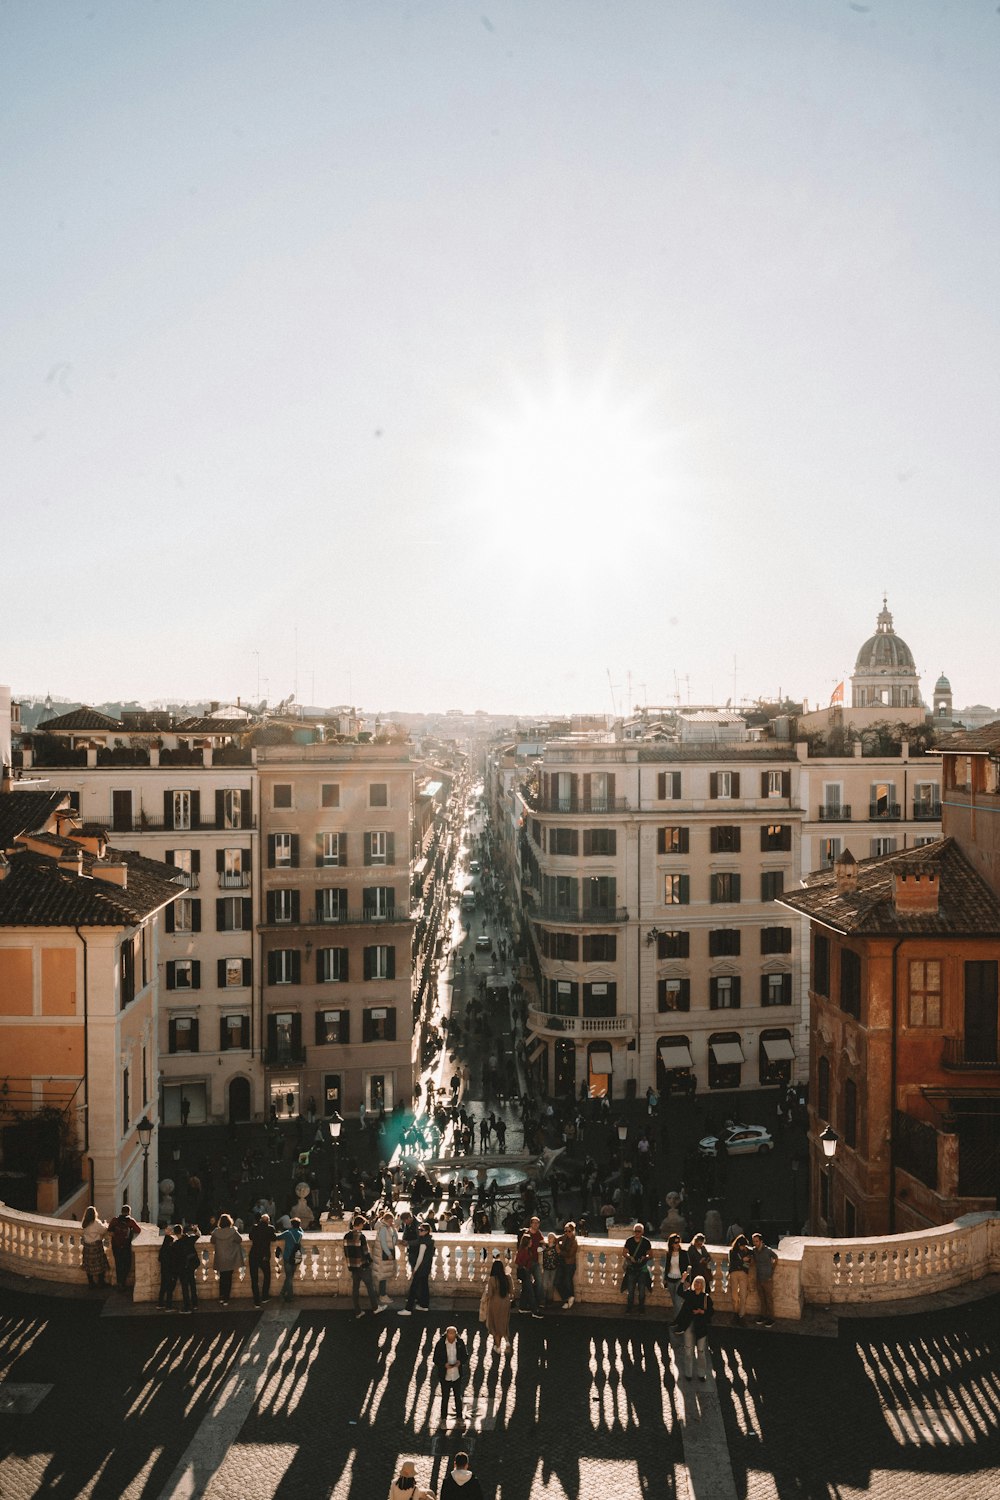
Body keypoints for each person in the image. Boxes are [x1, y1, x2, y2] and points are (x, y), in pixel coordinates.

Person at [674, 1273, 714, 1381]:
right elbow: (679, 1292)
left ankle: (701, 1374)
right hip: (689, 1325)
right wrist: (682, 1279)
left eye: (699, 1282)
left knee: (701, 1351)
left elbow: (711, 1312)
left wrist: (702, 1311)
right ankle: (688, 1373)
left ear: (703, 1285)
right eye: (696, 1281)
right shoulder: (689, 1294)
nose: (697, 1284)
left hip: (701, 1327)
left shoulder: (706, 1298)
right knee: (688, 1351)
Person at [431, 1326, 469, 1433]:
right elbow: (435, 1359)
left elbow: (465, 1356)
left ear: (456, 1334)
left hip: (456, 1375)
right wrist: (444, 1365)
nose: (451, 1337)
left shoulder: (460, 1342)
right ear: (447, 1334)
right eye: (450, 1335)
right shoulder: (440, 1344)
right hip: (445, 1376)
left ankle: (459, 1418)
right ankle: (443, 1419)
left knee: (458, 1397)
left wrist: (460, 1362)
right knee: (445, 1397)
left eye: (453, 1335)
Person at [344, 1216, 382, 1318]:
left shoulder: (346, 1236)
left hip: (353, 1266)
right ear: (360, 1224)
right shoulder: (361, 1236)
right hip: (362, 1266)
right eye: (363, 1224)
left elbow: (346, 1252)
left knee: (355, 1288)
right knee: (370, 1287)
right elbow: (365, 1252)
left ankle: (357, 1311)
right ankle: (375, 1308)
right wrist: (369, 1261)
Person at [399, 1221, 434, 1314]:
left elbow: (420, 1257)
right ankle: (424, 1305)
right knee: (424, 1286)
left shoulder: (423, 1242)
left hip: (421, 1267)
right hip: (427, 1267)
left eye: (421, 1230)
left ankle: (408, 1309)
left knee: (413, 1288)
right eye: (419, 1229)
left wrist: (415, 1269)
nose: (419, 1231)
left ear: (426, 1231)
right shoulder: (429, 1240)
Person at [210, 1213, 245, 1305]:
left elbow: (212, 1241)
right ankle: (226, 1298)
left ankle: (221, 1296)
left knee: (222, 1278)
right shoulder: (233, 1231)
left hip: (220, 1257)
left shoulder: (216, 1232)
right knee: (228, 1278)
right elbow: (240, 1240)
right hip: (230, 1258)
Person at [621, 1223, 653, 1313]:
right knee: (630, 1290)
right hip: (631, 1268)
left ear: (642, 1232)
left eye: (639, 1231)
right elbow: (624, 1252)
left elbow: (650, 1254)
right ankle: (629, 1307)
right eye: (635, 1231)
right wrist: (630, 1257)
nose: (637, 1233)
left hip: (642, 1268)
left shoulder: (646, 1242)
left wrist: (645, 1257)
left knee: (642, 1290)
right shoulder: (629, 1241)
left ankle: (641, 1307)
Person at [107, 1204, 141, 1289]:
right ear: (129, 1212)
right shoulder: (130, 1221)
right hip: (125, 1246)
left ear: (121, 1211)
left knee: (118, 1264)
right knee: (127, 1264)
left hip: (116, 1245)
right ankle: (123, 1283)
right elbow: (138, 1230)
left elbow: (109, 1230)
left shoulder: (115, 1220)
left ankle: (119, 1283)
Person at [483, 1251, 512, 1350]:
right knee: (504, 1323)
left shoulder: (492, 1279)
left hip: (495, 1303)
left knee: (495, 1325)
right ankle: (507, 1343)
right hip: (506, 1302)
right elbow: (511, 1290)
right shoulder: (507, 1277)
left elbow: (490, 1294)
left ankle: (498, 1347)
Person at [249, 1213, 277, 1306]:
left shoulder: (254, 1227)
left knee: (254, 1279)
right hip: (264, 1256)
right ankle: (265, 1296)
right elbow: (274, 1238)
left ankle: (256, 1301)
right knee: (267, 1276)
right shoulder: (270, 1228)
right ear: (268, 1221)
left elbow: (250, 1237)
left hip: (253, 1255)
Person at [751, 1232, 778, 1327]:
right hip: (759, 1278)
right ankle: (763, 1316)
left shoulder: (768, 1250)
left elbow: (776, 1258)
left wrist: (772, 1270)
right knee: (762, 1299)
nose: (755, 1243)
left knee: (769, 1299)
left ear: (761, 1241)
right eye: (754, 1241)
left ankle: (771, 1318)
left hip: (767, 1278)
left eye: (757, 1241)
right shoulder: (754, 1250)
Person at [80, 1206, 110, 1289]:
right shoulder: (96, 1222)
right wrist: (105, 1223)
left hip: (87, 1246)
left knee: (88, 1264)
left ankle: (91, 1283)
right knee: (100, 1264)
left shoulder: (84, 1223)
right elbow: (103, 1230)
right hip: (96, 1246)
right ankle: (101, 1282)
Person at [173, 1223, 200, 1313]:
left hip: (182, 1267)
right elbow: (198, 1235)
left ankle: (187, 1305)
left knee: (185, 1287)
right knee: (192, 1284)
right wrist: (196, 1229)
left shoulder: (176, 1244)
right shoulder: (189, 1239)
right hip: (191, 1265)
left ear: (175, 1233)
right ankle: (195, 1303)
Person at [276, 1217, 304, 1302]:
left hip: (288, 1257)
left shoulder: (288, 1233)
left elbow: (278, 1237)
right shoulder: (300, 1234)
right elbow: (302, 1231)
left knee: (288, 1277)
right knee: (290, 1277)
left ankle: (289, 1295)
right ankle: (285, 1294)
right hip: (296, 1257)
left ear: (291, 1225)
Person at [663, 1232, 691, 1316]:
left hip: (680, 1279)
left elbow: (688, 1267)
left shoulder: (684, 1253)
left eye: (679, 1242)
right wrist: (665, 1279)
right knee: (674, 1301)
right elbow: (667, 1267)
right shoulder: (669, 1254)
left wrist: (687, 1280)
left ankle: (678, 1321)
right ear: (671, 1244)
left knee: (678, 1301)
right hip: (670, 1279)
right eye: (675, 1242)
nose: (677, 1244)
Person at [375, 1210, 399, 1307]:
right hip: (383, 1254)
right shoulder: (383, 1229)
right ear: (388, 1220)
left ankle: (383, 1294)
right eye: (391, 1221)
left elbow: (395, 1239)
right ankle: (382, 1295)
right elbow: (383, 1243)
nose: (392, 1222)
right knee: (383, 1275)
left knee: (384, 1275)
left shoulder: (388, 1227)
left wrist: (394, 1229)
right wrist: (388, 1253)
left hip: (386, 1254)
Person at [514, 1231, 541, 1317]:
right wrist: (524, 1267)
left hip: (526, 1272)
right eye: (530, 1242)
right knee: (530, 1292)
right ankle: (534, 1310)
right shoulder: (523, 1251)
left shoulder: (526, 1250)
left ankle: (522, 1307)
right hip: (525, 1273)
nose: (531, 1243)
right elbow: (517, 1261)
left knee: (526, 1290)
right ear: (527, 1242)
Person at [728, 1234, 752, 1325]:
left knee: (743, 1294)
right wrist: (742, 1260)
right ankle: (735, 1312)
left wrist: (744, 1261)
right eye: (742, 1245)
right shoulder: (732, 1251)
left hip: (743, 1273)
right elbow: (732, 1263)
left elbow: (749, 1262)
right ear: (738, 1244)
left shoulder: (747, 1251)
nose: (743, 1247)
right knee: (734, 1294)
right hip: (734, 1273)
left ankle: (741, 1314)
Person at [556, 1221, 578, 1308]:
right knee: (557, 1282)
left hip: (570, 1264)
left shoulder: (574, 1241)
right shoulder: (564, 1237)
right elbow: (557, 1239)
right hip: (562, 1263)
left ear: (573, 1231)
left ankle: (570, 1298)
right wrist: (557, 1244)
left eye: (569, 1231)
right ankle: (566, 1298)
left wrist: (560, 1251)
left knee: (568, 1281)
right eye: (565, 1231)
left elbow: (570, 1254)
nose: (567, 1233)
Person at [157, 1224, 177, 1309]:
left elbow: (160, 1258)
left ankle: (160, 1303)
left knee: (163, 1286)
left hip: (164, 1268)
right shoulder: (171, 1243)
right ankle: (169, 1306)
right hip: (170, 1269)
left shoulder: (164, 1244)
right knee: (170, 1288)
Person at [541, 1233, 560, 1305]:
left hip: (554, 1267)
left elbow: (559, 1253)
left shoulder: (556, 1247)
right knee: (544, 1284)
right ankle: (543, 1299)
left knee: (551, 1285)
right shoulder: (545, 1246)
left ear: (554, 1239)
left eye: (551, 1237)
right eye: (548, 1237)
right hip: (546, 1267)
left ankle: (549, 1300)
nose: (549, 1239)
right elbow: (538, 1250)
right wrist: (541, 1244)